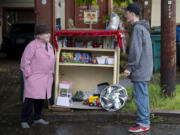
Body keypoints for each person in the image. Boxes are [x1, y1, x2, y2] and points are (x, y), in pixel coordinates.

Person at [124, 3, 153, 133]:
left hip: (140, 68)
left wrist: (129, 67)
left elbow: (136, 51)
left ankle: (143, 123)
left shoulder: (137, 29)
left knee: (140, 95)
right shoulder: (142, 27)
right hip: (144, 67)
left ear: (132, 13)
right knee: (142, 94)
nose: (125, 15)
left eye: (127, 13)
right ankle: (144, 120)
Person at [20, 24, 55, 128]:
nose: (48, 34)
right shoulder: (32, 46)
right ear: (38, 36)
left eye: (48, 32)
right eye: (45, 33)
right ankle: (24, 120)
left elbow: (52, 60)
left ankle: (37, 118)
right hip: (34, 77)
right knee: (30, 99)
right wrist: (28, 75)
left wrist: (52, 72)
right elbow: (25, 62)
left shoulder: (49, 45)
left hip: (46, 77)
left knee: (40, 98)